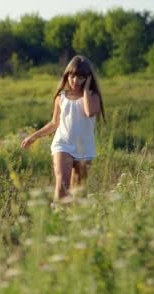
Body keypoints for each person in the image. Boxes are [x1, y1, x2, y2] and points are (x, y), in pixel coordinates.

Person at [21, 55, 105, 200]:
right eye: (72, 76)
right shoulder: (61, 97)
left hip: (84, 148)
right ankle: (57, 218)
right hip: (63, 145)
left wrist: (85, 90)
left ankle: (72, 221)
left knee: (79, 194)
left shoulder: (93, 97)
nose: (75, 81)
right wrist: (33, 137)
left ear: (88, 78)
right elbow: (54, 123)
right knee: (62, 188)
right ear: (67, 75)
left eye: (81, 77)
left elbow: (89, 112)